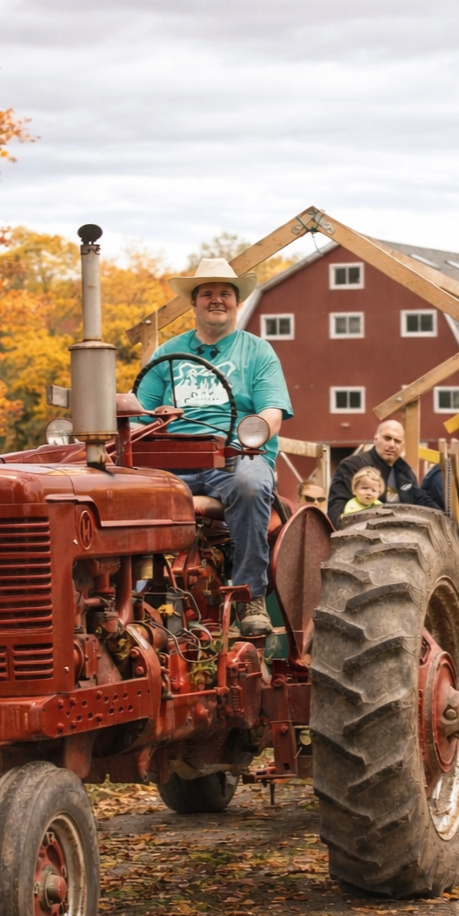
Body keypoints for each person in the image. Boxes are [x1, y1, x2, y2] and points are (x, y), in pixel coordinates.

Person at [135, 257, 293, 636]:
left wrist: (247, 440)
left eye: (225, 293)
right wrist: (157, 417)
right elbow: (139, 416)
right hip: (173, 460)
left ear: (237, 302)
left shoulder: (257, 352)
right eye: (207, 293)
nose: (216, 300)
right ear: (194, 302)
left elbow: (272, 410)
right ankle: (136, 593)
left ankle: (249, 595)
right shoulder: (167, 353)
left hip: (234, 457)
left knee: (251, 482)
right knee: (121, 490)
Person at [327, 419, 439, 528]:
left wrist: (443, 518)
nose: (392, 445)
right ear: (376, 439)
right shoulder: (352, 466)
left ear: (403, 445)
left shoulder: (406, 473)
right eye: (387, 438)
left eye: (397, 441)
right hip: (364, 535)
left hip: (403, 535)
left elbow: (422, 500)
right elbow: (336, 508)